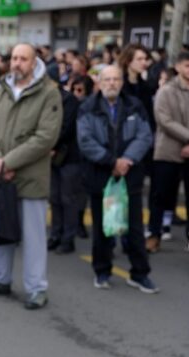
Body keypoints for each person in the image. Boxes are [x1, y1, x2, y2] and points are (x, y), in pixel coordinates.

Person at [0, 43, 62, 310]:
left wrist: (8, 161)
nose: (16, 63)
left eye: (23, 58)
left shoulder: (49, 92)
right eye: (14, 58)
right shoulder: (0, 90)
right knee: (2, 229)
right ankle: (0, 278)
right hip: (1, 174)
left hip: (30, 177)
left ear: (35, 62)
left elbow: (45, 138)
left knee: (34, 236)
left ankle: (37, 288)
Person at [77, 65, 157, 293]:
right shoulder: (87, 108)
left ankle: (140, 274)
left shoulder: (135, 105)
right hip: (100, 176)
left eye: (116, 79)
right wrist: (111, 162)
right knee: (103, 228)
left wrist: (126, 160)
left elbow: (144, 136)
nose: (111, 83)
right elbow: (85, 141)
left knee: (134, 228)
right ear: (99, 82)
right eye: (107, 79)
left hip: (129, 176)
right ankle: (102, 271)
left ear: (122, 82)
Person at [146, 52, 189, 253]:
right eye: (187, 65)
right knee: (160, 195)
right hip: (168, 151)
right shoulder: (167, 91)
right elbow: (164, 120)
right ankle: (154, 234)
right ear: (179, 67)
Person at [47, 86, 83, 254]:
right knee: (55, 198)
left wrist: (49, 144)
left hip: (68, 156)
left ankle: (68, 238)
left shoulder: (68, 100)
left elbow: (66, 127)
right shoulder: (47, 98)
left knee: (68, 199)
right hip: (54, 157)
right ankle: (56, 234)